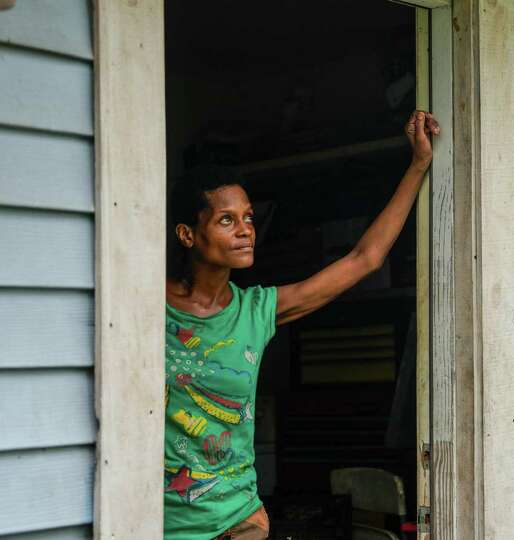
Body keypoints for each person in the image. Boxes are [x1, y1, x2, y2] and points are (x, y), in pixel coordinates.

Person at [163, 110, 440, 540]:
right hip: (166, 526)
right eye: (226, 220)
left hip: (241, 523)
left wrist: (419, 163)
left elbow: (365, 259)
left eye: (249, 217)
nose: (245, 231)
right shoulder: (145, 305)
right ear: (186, 235)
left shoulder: (258, 311)